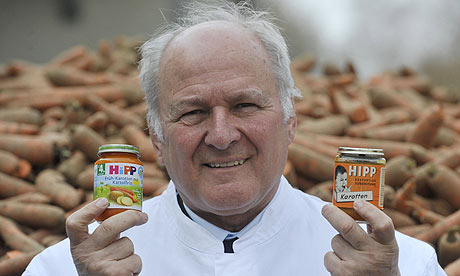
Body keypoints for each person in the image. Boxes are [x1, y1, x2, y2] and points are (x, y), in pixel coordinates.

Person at [24, 1, 446, 275]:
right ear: (156, 135)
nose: (222, 136)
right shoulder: (65, 268)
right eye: (193, 112)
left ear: (290, 120)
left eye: (245, 106)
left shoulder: (404, 265)